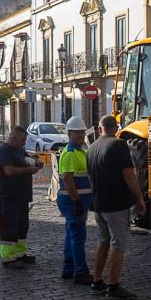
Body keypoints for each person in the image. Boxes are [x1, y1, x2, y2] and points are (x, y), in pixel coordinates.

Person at [87, 114, 148, 300]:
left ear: (100, 128)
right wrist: (139, 198)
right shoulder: (119, 145)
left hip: (99, 204)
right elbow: (129, 175)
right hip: (116, 204)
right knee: (118, 243)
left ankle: (97, 281)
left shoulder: (92, 148)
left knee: (103, 241)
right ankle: (113, 286)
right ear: (117, 128)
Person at [0, 123, 42, 266]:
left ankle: (20, 254)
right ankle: (8, 258)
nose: (23, 143)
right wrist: (30, 170)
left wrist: (36, 162)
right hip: (8, 196)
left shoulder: (19, 150)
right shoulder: (3, 151)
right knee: (9, 226)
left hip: (21, 196)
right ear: (13, 138)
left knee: (21, 226)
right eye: (21, 141)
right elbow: (9, 171)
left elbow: (27, 160)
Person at [56, 115, 94, 284]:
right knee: (78, 237)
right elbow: (68, 179)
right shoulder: (71, 153)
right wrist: (77, 201)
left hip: (75, 201)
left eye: (82, 132)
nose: (80, 136)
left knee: (71, 235)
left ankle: (69, 268)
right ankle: (80, 272)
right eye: (77, 133)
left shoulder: (80, 151)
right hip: (72, 202)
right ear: (69, 134)